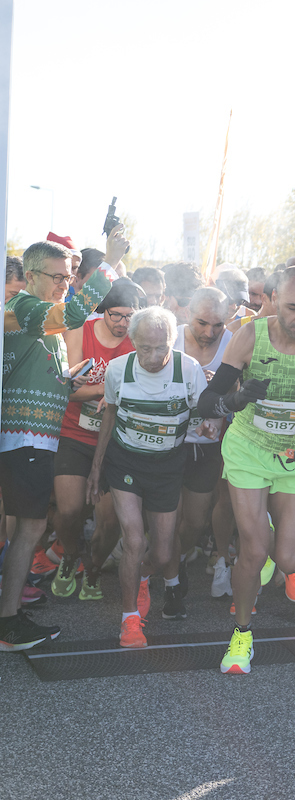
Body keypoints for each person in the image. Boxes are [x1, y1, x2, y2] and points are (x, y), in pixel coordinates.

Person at [197, 267, 295, 674]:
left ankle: (280, 553)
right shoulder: (250, 335)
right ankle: (241, 635)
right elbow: (207, 402)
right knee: (254, 549)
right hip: (249, 450)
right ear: (272, 300)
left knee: (287, 559)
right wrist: (234, 402)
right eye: (292, 308)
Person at [0, 230, 124, 651]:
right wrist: (107, 264)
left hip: (34, 435)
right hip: (24, 436)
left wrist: (67, 381)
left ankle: (10, 610)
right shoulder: (25, 306)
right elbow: (71, 316)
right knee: (29, 525)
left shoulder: (37, 311)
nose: (63, 285)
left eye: (68, 277)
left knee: (26, 526)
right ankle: (8, 622)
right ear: (31, 275)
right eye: (56, 277)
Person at [86, 307, 210, 646]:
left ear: (173, 341)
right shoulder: (117, 369)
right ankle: (129, 621)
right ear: (132, 341)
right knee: (135, 540)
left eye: (161, 348)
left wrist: (213, 422)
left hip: (168, 466)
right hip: (125, 462)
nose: (153, 357)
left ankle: (141, 575)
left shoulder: (189, 369)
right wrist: (96, 468)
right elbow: (110, 414)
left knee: (163, 552)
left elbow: (205, 415)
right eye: (144, 348)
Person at [51, 279, 142, 601]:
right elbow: (69, 388)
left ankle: (93, 566)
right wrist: (107, 390)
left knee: (110, 520)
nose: (122, 323)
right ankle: (71, 554)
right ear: (103, 310)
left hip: (117, 440)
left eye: (130, 316)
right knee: (69, 509)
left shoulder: (139, 338)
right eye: (116, 315)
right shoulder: (81, 329)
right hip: (74, 433)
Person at [171, 288, 236, 599]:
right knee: (167, 518)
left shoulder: (234, 342)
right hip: (168, 442)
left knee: (195, 521)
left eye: (218, 325)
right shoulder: (169, 336)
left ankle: (179, 557)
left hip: (208, 446)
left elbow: (240, 393)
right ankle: (168, 572)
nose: (210, 333)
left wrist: (220, 397)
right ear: (186, 314)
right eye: (202, 324)